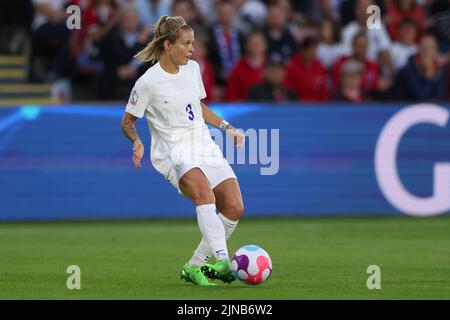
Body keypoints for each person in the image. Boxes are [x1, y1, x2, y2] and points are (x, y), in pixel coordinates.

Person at [120, 15, 246, 286]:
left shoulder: (192, 69)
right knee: (205, 195)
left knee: (234, 207)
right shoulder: (148, 83)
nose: (192, 49)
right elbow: (128, 121)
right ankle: (223, 260)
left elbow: (198, 107)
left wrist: (227, 127)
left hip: (202, 143)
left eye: (193, 44)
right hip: (173, 151)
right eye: (187, 44)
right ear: (168, 45)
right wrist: (137, 141)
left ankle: (194, 266)